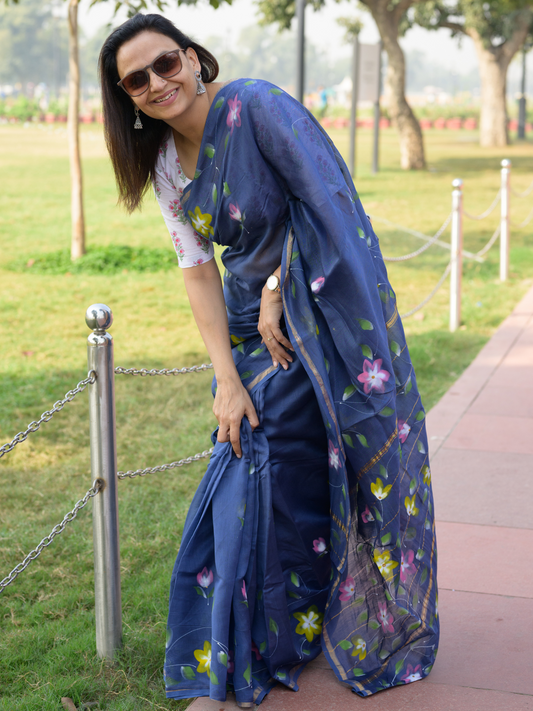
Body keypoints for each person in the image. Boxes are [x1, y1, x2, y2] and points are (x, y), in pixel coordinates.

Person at [99, 13, 439, 708]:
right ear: (126, 98)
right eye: (136, 80)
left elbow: (328, 203)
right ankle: (258, 644)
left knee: (299, 453)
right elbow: (196, 269)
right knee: (257, 452)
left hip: (324, 311)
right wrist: (225, 376)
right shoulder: (165, 161)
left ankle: (259, 643)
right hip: (251, 329)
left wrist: (281, 288)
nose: (157, 83)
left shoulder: (255, 107)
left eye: (165, 64)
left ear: (193, 59)